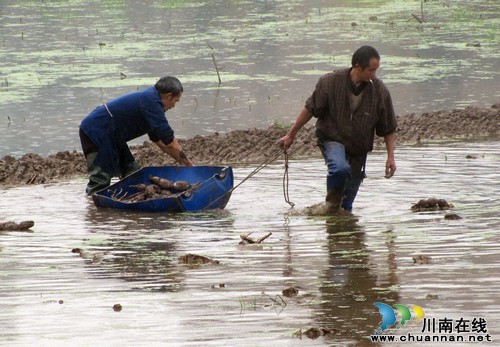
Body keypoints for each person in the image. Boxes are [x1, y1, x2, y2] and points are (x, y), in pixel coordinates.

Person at [279, 46, 397, 212]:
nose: (374, 74)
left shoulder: (380, 91)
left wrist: (390, 157)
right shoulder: (330, 82)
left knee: (346, 207)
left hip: (359, 148)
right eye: (371, 70)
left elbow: (388, 127)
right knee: (340, 168)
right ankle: (331, 205)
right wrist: (290, 135)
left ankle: (339, 229)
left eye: (376, 70)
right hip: (332, 138)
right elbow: (310, 109)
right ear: (357, 67)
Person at [79, 76, 193, 195]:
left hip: (114, 135)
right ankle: (93, 208)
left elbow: (161, 141)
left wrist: (182, 162)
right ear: (169, 96)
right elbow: (168, 138)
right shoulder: (151, 102)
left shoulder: (152, 102)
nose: (174, 105)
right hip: (96, 130)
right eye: (176, 100)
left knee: (132, 172)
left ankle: (122, 206)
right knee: (100, 180)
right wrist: (191, 166)